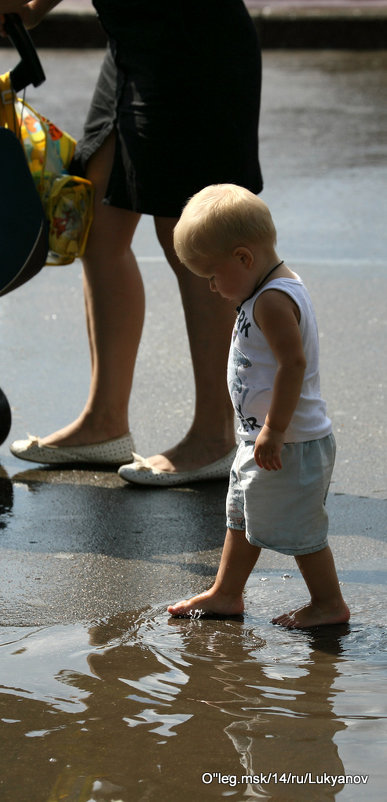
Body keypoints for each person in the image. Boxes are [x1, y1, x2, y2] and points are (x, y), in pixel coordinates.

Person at [1, 0, 263, 485]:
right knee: (98, 225)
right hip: (131, 43)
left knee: (190, 238)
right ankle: (104, 423)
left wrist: (35, 4)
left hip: (190, 41)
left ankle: (215, 435)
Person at [167, 184, 350, 628]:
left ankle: (329, 604)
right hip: (263, 439)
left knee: (301, 530)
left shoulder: (272, 299)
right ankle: (226, 593)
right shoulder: (264, 286)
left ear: (244, 258)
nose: (211, 287)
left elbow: (293, 364)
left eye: (212, 275)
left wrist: (274, 429)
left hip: (288, 442)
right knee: (241, 515)